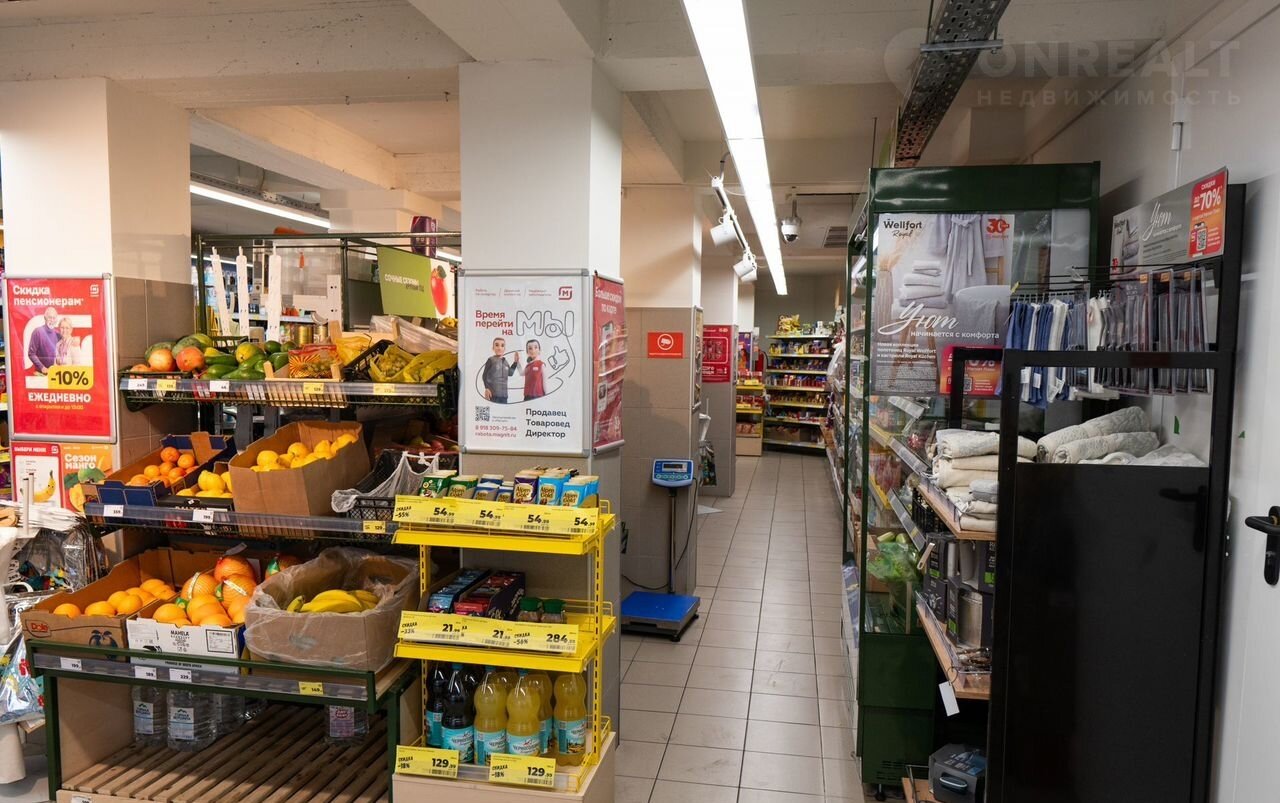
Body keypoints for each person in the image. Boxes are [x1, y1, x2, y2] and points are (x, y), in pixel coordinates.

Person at [481, 336, 519, 403]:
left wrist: (515, 362)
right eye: (497, 345)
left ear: (504, 349)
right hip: (493, 395)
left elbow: (510, 373)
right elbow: (484, 375)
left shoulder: (505, 362)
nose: (499, 348)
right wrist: (486, 388)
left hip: (504, 396)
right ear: (493, 348)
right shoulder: (491, 360)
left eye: (502, 345)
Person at [27, 306, 59, 375]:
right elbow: (31, 353)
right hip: (40, 373)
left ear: (56, 320)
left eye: (54, 318)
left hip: (54, 374)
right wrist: (42, 367)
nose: (52, 320)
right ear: (45, 318)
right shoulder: (37, 332)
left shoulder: (57, 334)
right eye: (50, 317)